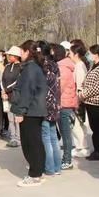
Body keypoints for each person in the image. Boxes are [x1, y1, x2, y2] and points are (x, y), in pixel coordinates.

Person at [11, 40, 48, 187]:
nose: (20, 54)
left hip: (30, 111)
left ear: (27, 52)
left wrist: (20, 111)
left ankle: (35, 175)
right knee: (36, 142)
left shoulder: (30, 68)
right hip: (35, 109)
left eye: (22, 51)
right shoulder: (33, 67)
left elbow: (27, 92)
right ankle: (39, 171)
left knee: (30, 143)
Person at [80, 45, 99, 161]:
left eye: (90, 53)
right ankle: (97, 150)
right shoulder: (93, 66)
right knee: (95, 127)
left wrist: (84, 93)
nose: (88, 55)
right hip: (91, 102)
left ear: (96, 54)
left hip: (98, 102)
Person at [37, 41, 62, 177]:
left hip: (44, 104)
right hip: (54, 103)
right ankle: (57, 167)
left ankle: (49, 168)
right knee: (53, 137)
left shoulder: (42, 65)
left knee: (46, 137)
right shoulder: (54, 64)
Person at [54, 44, 77, 170]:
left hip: (65, 105)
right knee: (64, 133)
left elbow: (58, 88)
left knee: (66, 134)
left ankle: (67, 160)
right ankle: (66, 159)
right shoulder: (63, 66)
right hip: (63, 104)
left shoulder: (63, 68)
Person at [69, 43, 91, 157]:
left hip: (78, 99)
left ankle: (83, 147)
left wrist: (77, 100)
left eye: (70, 53)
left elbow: (80, 85)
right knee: (77, 124)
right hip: (77, 98)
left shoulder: (79, 66)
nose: (69, 54)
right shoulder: (79, 65)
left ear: (76, 54)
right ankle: (80, 146)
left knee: (78, 124)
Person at [2, 46, 22, 147]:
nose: (9, 56)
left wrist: (6, 89)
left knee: (16, 118)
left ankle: (18, 138)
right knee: (10, 118)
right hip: (7, 97)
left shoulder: (21, 67)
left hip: (17, 96)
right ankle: (12, 137)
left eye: (11, 55)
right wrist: (3, 91)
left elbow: (17, 82)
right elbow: (3, 80)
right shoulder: (7, 66)